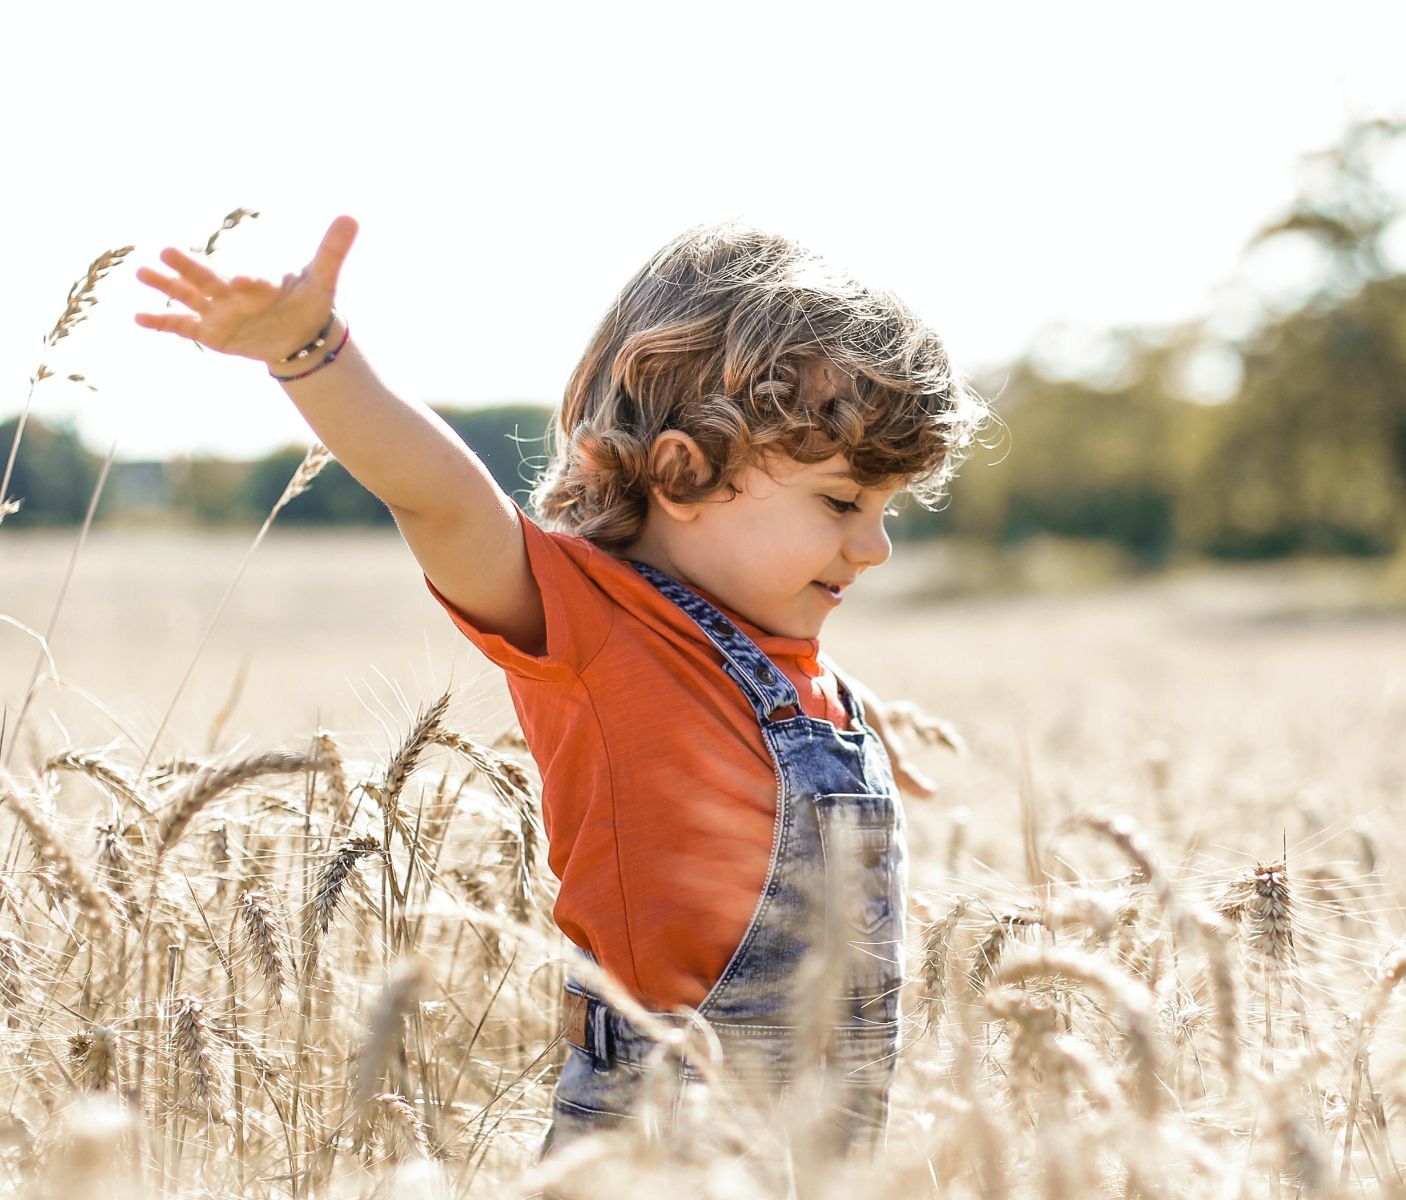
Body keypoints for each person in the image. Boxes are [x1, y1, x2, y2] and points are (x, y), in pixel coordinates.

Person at [132, 216, 991, 1161]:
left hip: (822, 1149)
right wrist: (311, 352)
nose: (876, 546)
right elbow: (442, 499)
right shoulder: (596, 626)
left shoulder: (797, 668)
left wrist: (858, 736)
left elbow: (754, 727)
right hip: (657, 1144)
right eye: (841, 502)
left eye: (886, 508)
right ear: (681, 471)